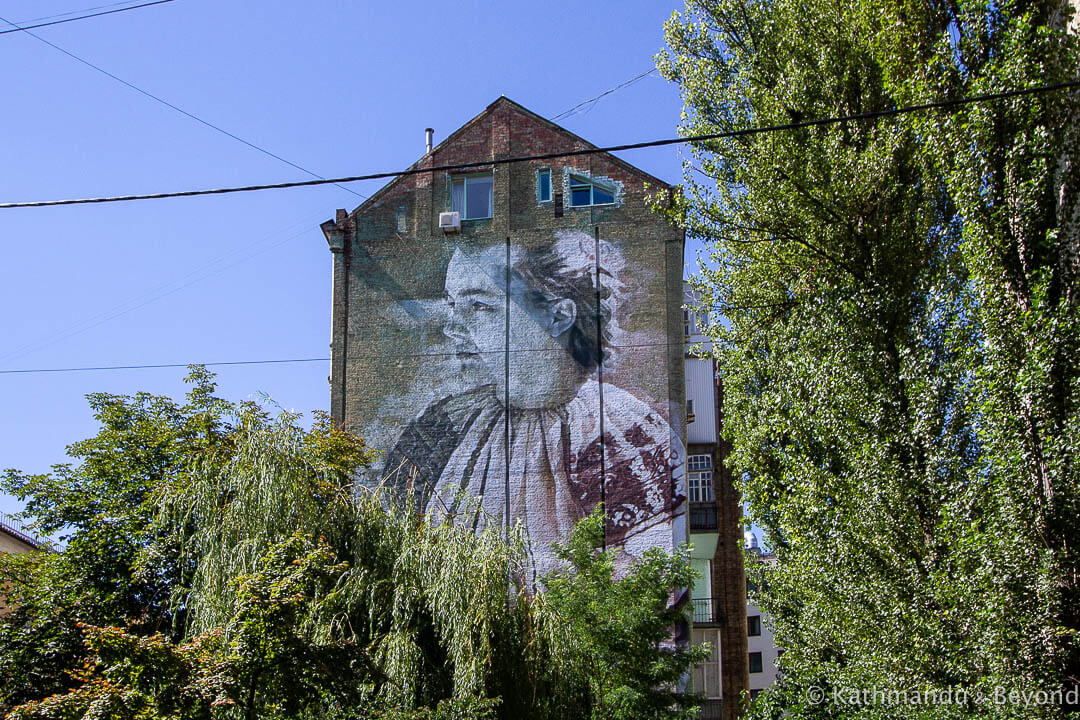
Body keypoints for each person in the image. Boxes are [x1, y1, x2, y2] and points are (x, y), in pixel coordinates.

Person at [383, 229, 681, 576]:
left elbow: (650, 580)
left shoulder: (623, 431)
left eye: (478, 305)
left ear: (558, 316)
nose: (453, 327)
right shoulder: (439, 426)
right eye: (452, 305)